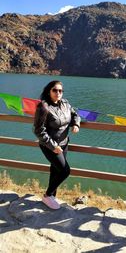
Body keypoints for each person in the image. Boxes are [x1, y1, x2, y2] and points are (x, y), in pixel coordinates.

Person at [33, 80, 80, 210]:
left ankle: (52, 196)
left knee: (56, 170)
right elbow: (38, 130)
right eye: (55, 90)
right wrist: (53, 146)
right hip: (50, 146)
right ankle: (47, 195)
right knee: (65, 171)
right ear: (49, 91)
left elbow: (75, 114)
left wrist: (76, 124)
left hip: (64, 144)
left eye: (60, 90)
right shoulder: (43, 107)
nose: (58, 93)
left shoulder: (65, 103)